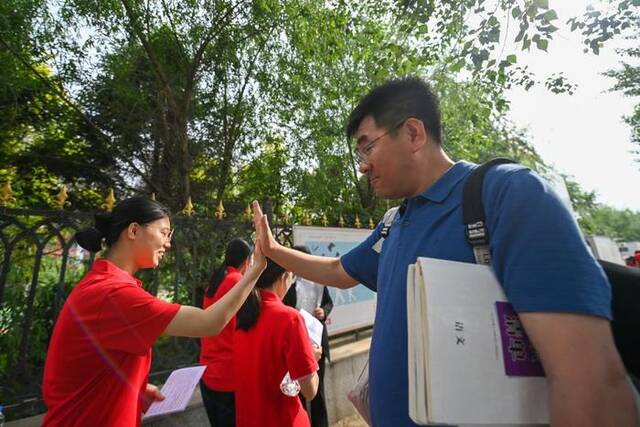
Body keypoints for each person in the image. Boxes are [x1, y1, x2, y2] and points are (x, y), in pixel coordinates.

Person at [251, 76, 640, 426]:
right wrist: (272, 249)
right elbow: (339, 270)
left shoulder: (507, 195)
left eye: (367, 148)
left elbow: (590, 383)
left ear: (414, 133)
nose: (363, 167)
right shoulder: (395, 223)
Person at [42, 197, 266, 427]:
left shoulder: (108, 285)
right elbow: (209, 323)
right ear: (133, 231)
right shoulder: (113, 294)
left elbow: (95, 366)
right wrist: (257, 268)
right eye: (163, 232)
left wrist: (134, 386)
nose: (168, 243)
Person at [233, 258, 322, 427]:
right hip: (283, 419)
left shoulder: (243, 314)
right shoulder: (290, 318)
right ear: (283, 277)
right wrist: (313, 358)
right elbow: (309, 391)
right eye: (292, 277)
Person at [199, 238, 253, 427]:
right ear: (247, 260)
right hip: (228, 376)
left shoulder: (217, 279)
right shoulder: (237, 281)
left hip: (208, 372)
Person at [282, 245, 333, 427]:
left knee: (318, 392)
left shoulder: (318, 281)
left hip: (316, 342)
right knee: (299, 390)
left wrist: (323, 312)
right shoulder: (289, 282)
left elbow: (328, 302)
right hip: (297, 343)